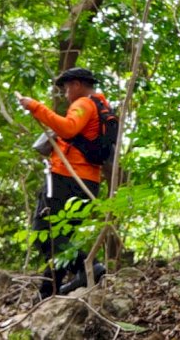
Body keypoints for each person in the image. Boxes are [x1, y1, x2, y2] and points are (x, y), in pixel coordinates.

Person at [19, 67, 111, 299]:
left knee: (44, 231)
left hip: (67, 178)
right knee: (61, 237)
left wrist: (34, 106)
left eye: (67, 87)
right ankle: (48, 294)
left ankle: (86, 268)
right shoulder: (102, 108)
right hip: (88, 182)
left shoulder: (84, 103)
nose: (66, 92)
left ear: (78, 84)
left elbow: (68, 128)